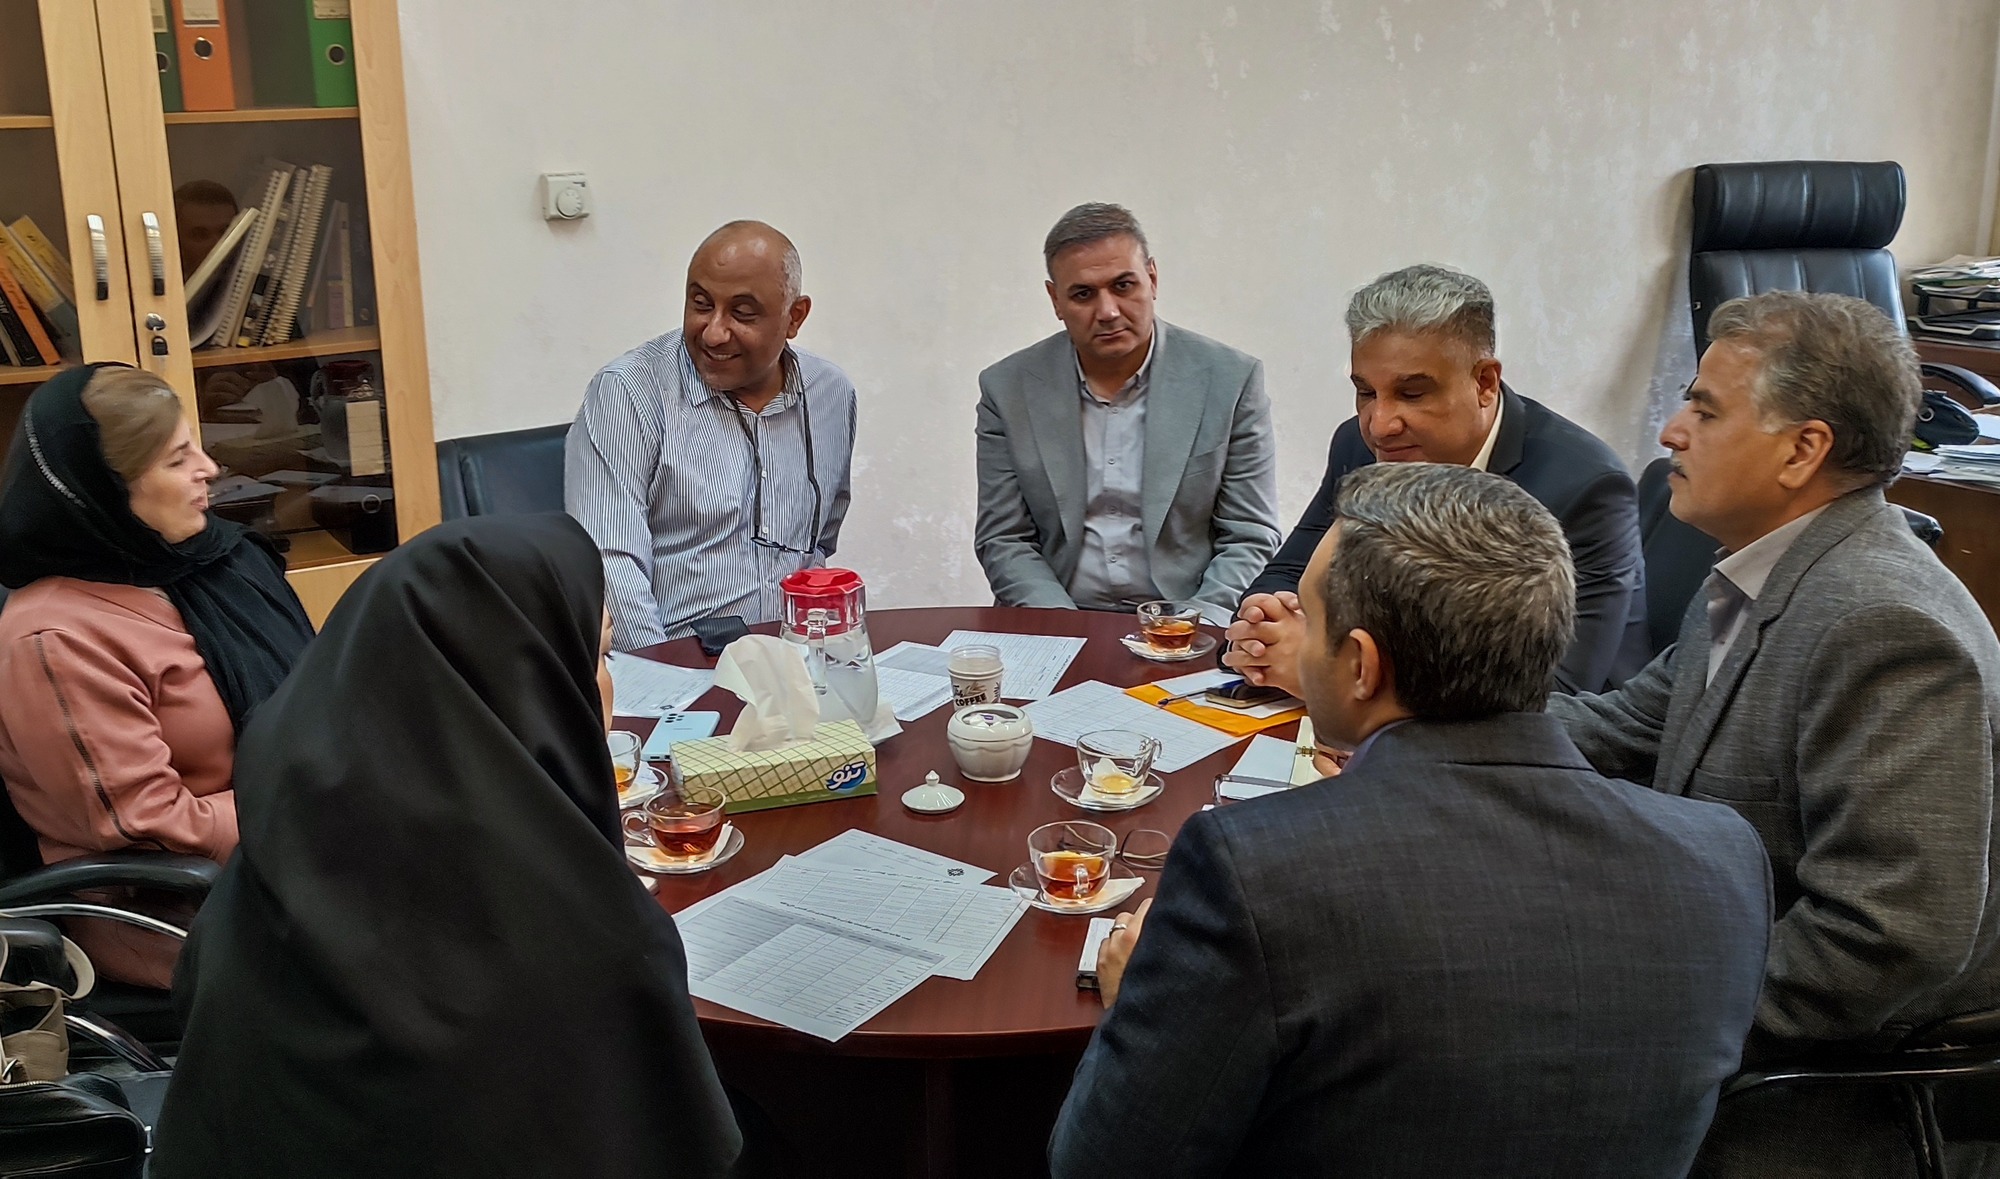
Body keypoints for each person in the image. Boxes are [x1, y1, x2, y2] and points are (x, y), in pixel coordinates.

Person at [1050, 462, 1771, 1178]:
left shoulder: (1254, 871)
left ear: (1361, 666)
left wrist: (1132, 1000)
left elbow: (1100, 1164)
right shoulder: (1723, 857)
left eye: (1311, 624)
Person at [1548, 291, 2000, 1177]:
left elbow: (1889, 933)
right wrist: (1406, 724)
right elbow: (1618, 725)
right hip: (1734, 984)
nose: (1671, 432)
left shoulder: (1884, 625)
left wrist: (1664, 1019)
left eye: (1704, 410)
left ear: (1803, 449)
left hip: (1848, 1093)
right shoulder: (1764, 574)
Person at [151, 514, 745, 1177]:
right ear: (527, 678)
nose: (607, 683)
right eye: (595, 654)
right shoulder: (588, 950)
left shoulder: (265, 877)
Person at [0, 364, 314, 988]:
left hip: (289, 854)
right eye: (177, 459)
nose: (209, 469)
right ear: (106, 490)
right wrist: (314, 803)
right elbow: (149, 823)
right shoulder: (55, 637)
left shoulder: (210, 563)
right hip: (178, 911)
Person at [1224, 264, 1643, 696]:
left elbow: (1560, 689)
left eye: (1412, 394)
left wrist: (1330, 671)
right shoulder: (1359, 444)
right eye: (1366, 392)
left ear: (1484, 382)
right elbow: (1290, 570)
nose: (1380, 425)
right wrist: (1264, 624)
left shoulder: (1587, 486)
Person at [974, 203, 1279, 623]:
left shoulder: (1230, 380)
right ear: (1055, 300)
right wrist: (1065, 629)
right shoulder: (1008, 389)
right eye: (1083, 294)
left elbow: (1249, 534)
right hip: (1056, 618)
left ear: (1152, 279)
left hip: (1188, 619)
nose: (1108, 312)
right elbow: (1004, 539)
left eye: (1123, 285)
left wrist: (1193, 624)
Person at [567, 220, 857, 650]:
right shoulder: (628, 392)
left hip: (795, 656)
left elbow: (820, 542)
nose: (714, 332)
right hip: (679, 659)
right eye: (701, 304)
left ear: (794, 317)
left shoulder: (830, 394)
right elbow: (610, 563)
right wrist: (662, 673)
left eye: (742, 313)